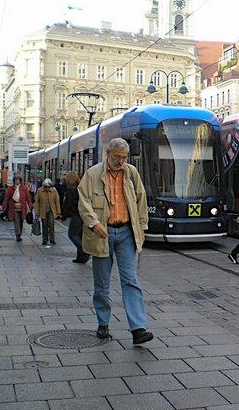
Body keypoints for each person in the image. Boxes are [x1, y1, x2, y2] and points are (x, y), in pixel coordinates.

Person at [78, 138, 153, 344]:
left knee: (131, 280)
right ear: (108, 154)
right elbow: (83, 202)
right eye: (117, 157)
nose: (121, 161)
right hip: (102, 234)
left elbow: (141, 200)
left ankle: (138, 328)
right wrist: (94, 223)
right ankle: (103, 323)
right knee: (102, 283)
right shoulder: (92, 174)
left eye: (124, 157)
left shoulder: (131, 173)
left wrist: (142, 228)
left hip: (126, 233)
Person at [62, 171, 89, 263]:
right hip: (85, 214)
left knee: (72, 234)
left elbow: (67, 204)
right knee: (80, 235)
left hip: (77, 215)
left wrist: (63, 216)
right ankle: (81, 258)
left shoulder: (70, 190)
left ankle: (84, 251)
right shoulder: (82, 187)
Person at [2, 176, 32, 242]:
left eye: (18, 180)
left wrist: (30, 205)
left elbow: (28, 197)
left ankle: (19, 233)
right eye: (16, 180)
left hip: (22, 208)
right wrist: (4, 205)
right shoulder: (11, 188)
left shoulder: (24, 188)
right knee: (17, 221)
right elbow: (7, 197)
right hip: (14, 208)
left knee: (21, 221)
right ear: (14, 181)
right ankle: (17, 235)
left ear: (20, 181)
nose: (17, 181)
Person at [34, 178, 61, 246]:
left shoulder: (54, 191)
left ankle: (52, 239)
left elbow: (57, 201)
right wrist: (36, 211)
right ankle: (45, 239)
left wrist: (58, 211)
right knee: (44, 225)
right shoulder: (39, 191)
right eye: (45, 187)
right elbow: (37, 201)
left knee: (51, 224)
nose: (47, 188)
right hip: (43, 211)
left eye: (48, 187)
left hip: (51, 210)